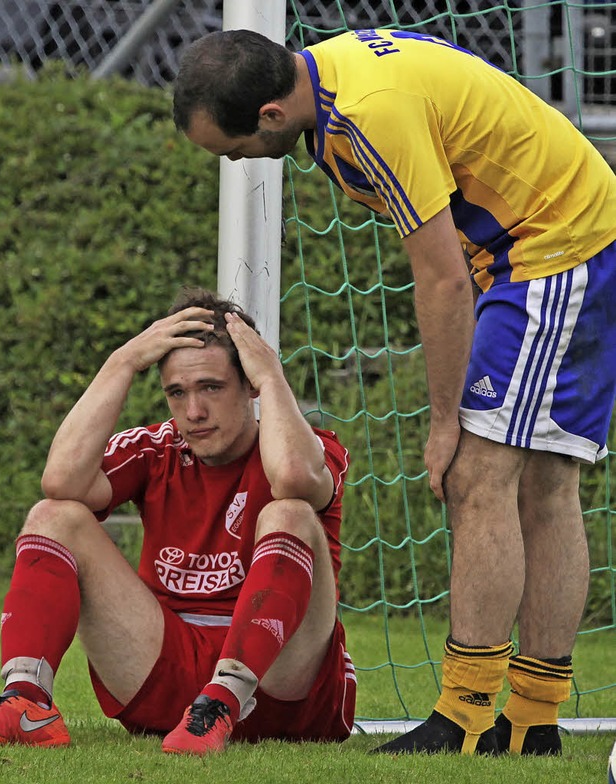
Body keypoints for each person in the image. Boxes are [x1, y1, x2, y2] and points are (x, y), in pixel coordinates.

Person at [172, 28, 616, 756]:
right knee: (543, 482)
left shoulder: (371, 114)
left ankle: (465, 719)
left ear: (273, 115)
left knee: (476, 472)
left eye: (232, 148)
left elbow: (440, 278)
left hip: (550, 249)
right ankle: (533, 722)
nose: (233, 162)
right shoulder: (334, 74)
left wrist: (445, 421)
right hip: (545, 242)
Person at [0, 286, 355, 754]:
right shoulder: (156, 449)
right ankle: (27, 702)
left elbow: (296, 477)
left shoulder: (312, 446)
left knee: (290, 510)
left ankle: (224, 697)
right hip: (168, 679)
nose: (193, 411)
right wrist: (121, 362)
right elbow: (62, 481)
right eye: (177, 393)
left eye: (211, 388)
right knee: (53, 515)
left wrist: (273, 377)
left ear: (250, 385)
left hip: (280, 688)